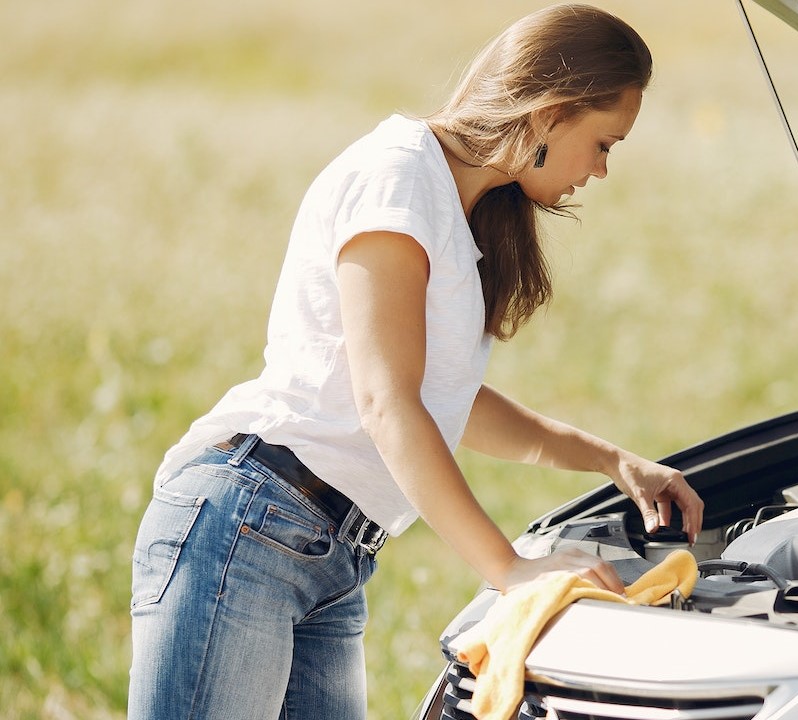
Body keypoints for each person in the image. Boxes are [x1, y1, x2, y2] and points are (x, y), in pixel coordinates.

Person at [127, 5, 704, 718]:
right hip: (249, 528)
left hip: (329, 557)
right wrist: (509, 570)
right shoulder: (397, 178)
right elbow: (387, 402)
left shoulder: (460, 211)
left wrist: (616, 462)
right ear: (552, 114)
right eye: (605, 143)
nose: (603, 170)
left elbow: (448, 402)